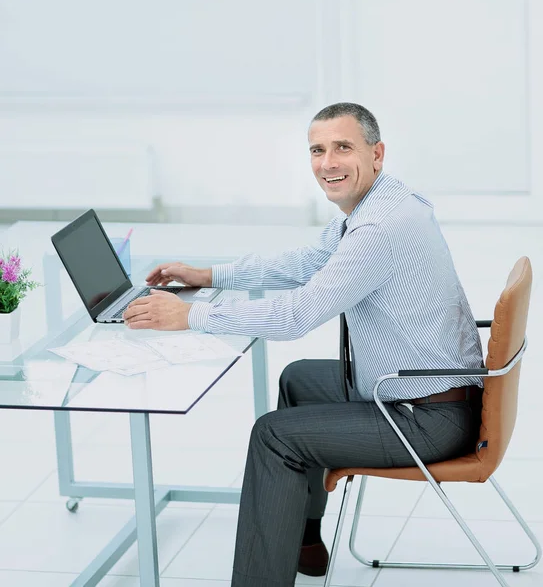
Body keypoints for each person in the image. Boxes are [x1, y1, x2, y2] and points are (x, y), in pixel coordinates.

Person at [123, 102, 484, 587]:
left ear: (376, 154)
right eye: (317, 150)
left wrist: (191, 315)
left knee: (274, 436)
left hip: (425, 417)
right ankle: (304, 541)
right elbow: (308, 261)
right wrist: (211, 275)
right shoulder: (387, 200)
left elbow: (298, 314)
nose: (328, 163)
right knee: (298, 380)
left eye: (342, 148)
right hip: (425, 390)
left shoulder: (377, 229)